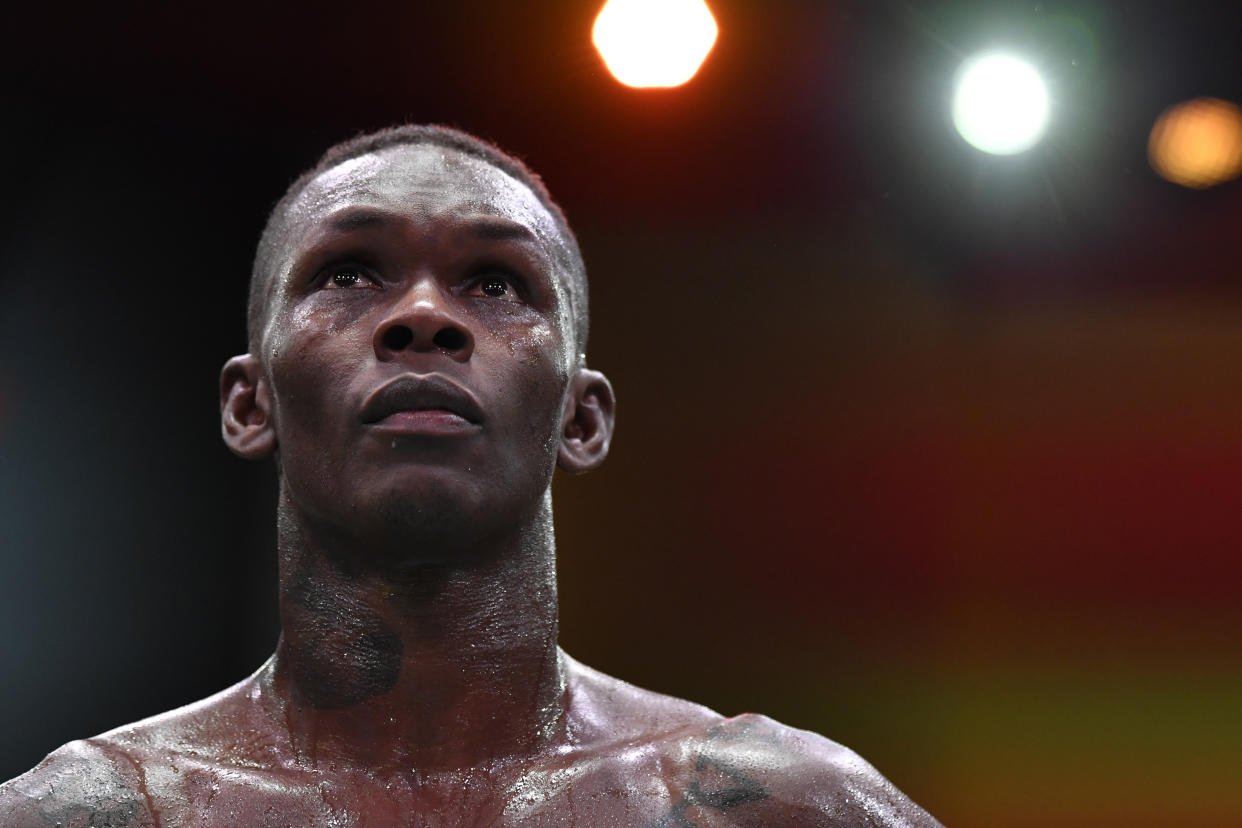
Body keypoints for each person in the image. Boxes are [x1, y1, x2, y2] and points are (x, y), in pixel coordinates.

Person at [0, 125, 941, 826]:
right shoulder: (97, 814)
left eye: (494, 283)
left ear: (581, 417)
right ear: (251, 405)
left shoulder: (773, 809)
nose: (422, 316)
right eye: (349, 273)